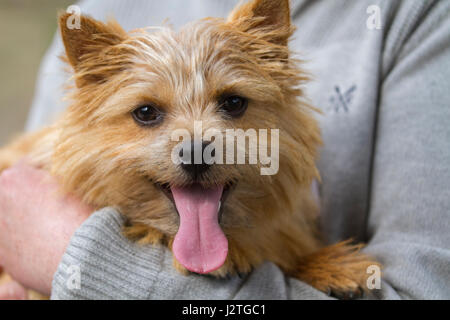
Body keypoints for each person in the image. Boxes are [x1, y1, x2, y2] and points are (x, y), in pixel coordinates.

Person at [0, 0, 449, 299]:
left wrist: (72, 258)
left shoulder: (416, 14)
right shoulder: (99, 7)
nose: (196, 146)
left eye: (232, 104)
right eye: (147, 114)